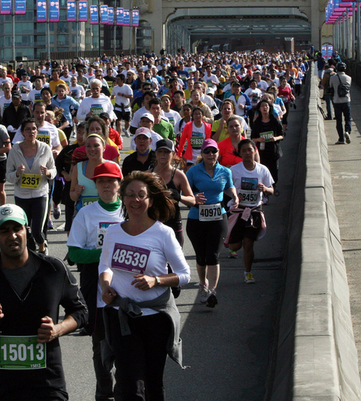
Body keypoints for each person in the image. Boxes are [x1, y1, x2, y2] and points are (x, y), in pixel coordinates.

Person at [0, 204, 88, 401]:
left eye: (17, 229)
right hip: (4, 388)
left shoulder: (53, 269)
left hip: (48, 384)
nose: (12, 236)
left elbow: (81, 312)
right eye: (4, 231)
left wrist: (58, 329)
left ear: (27, 231)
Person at [98, 171, 191, 399]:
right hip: (122, 317)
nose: (135, 200)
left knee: (152, 382)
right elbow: (104, 266)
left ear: (150, 200)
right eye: (130, 194)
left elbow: (184, 274)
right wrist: (105, 286)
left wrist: (156, 280)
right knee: (129, 384)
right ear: (122, 197)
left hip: (155, 319)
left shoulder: (163, 233)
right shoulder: (113, 232)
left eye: (141, 195)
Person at [67, 161, 123, 401]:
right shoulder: (86, 213)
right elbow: (75, 253)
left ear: (119, 184)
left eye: (111, 181)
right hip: (95, 289)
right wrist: (106, 252)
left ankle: (125, 391)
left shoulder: (130, 211)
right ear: (95, 185)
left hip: (128, 291)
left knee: (127, 348)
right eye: (101, 181)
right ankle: (104, 393)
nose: (106, 185)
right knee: (100, 346)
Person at [185, 138, 239, 307]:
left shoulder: (225, 171)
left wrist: (235, 196)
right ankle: (203, 285)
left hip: (218, 217)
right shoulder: (193, 172)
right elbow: (185, 193)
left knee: (213, 255)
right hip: (196, 218)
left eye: (214, 151)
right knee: (201, 256)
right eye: (207, 151)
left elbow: (229, 186)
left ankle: (212, 291)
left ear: (218, 153)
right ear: (202, 153)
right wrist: (193, 198)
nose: (210, 154)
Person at [5, 118, 56, 254]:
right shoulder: (15, 149)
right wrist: (16, 173)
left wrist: (48, 172)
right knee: (24, 230)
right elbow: (8, 175)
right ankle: (31, 254)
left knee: (37, 231)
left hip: (40, 194)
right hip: (21, 195)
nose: (31, 132)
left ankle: (42, 248)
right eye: (28, 129)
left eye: (33, 129)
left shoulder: (45, 148)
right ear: (22, 132)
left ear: (37, 131)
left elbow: (54, 169)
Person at [226, 140, 274, 284]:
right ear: (240, 153)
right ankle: (233, 241)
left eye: (250, 150)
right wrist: (235, 196)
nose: (247, 153)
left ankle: (248, 273)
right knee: (235, 245)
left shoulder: (262, 170)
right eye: (244, 150)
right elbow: (226, 189)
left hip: (254, 211)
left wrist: (264, 189)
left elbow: (272, 190)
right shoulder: (234, 170)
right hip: (238, 211)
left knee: (248, 243)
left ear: (255, 151)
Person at [250, 99, 284, 190]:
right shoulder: (257, 123)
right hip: (262, 151)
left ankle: (273, 186)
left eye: (266, 106)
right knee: (263, 169)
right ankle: (264, 188)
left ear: (270, 108)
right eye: (262, 106)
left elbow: (282, 135)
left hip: (273, 150)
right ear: (259, 109)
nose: (264, 108)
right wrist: (258, 139)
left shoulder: (275, 121)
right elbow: (252, 138)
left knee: (274, 170)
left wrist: (275, 138)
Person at [70, 133, 108, 212]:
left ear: (104, 148)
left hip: (106, 214)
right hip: (83, 215)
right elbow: (72, 196)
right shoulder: (78, 167)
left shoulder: (113, 167)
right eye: (88, 146)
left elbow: (121, 194)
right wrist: (77, 192)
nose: (92, 149)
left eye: (96, 145)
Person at [330, 62, 352, 145]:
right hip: (346, 101)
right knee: (348, 119)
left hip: (337, 101)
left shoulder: (333, 78)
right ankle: (347, 131)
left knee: (339, 121)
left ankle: (341, 139)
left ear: (337, 68)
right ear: (345, 69)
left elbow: (330, 87)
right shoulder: (349, 78)